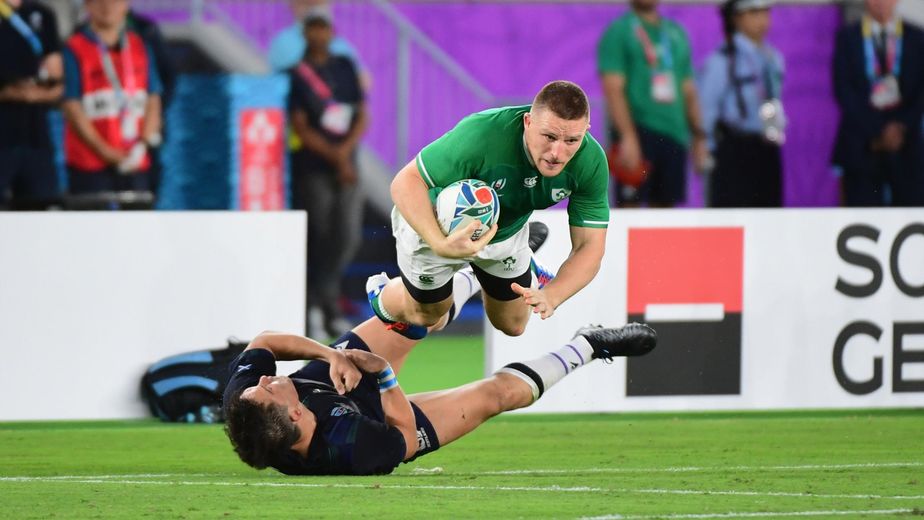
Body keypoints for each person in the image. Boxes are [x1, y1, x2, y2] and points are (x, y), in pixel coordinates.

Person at [222, 315, 657, 475]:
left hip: (326, 378)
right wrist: (386, 378)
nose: (262, 381)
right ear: (295, 416)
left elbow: (264, 341)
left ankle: (484, 274)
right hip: (385, 421)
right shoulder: (353, 450)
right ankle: (589, 345)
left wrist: (329, 354)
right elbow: (405, 437)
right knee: (497, 395)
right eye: (268, 389)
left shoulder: (245, 407)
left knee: (409, 316)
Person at [367, 80, 609, 341]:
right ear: (528, 122)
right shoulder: (482, 134)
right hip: (435, 225)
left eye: (572, 140)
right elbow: (406, 182)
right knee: (425, 318)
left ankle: (516, 265)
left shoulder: (590, 161)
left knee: (513, 325)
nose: (557, 152)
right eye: (549, 136)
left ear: (586, 130)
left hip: (504, 233)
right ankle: (380, 292)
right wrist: (440, 243)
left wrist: (552, 295)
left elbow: (589, 247)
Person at [288, 10, 368, 338]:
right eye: (313, 29)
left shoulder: (344, 66)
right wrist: (335, 156)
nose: (319, 35)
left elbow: (362, 114)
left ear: (331, 32)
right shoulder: (297, 74)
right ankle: (315, 308)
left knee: (347, 235)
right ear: (305, 34)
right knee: (318, 237)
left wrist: (345, 152)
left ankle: (327, 300)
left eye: (324, 29)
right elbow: (300, 126)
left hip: (347, 162)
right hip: (313, 166)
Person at [598, 0, 710, 208]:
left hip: (674, 134)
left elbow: (688, 89)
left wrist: (698, 136)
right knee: (629, 208)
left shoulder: (676, 33)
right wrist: (627, 137)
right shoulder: (619, 31)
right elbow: (613, 88)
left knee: (665, 212)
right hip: (639, 133)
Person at [61, 0, 163, 197]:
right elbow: (71, 105)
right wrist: (104, 150)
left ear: (126, 5)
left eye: (115, 2)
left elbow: (153, 97)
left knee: (137, 224)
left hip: (135, 161)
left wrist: (142, 145)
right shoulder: (75, 47)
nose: (107, 8)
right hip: (90, 164)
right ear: (88, 6)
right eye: (99, 2)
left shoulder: (139, 44)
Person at [831, 0, 924, 206]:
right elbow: (844, 90)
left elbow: (920, 93)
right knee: (862, 208)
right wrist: (878, 130)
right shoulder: (848, 37)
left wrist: (901, 126)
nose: (880, 3)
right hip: (863, 144)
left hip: (905, 144)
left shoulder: (916, 38)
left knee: (910, 211)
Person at [698, 0, 785, 207]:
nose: (762, 20)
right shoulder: (723, 59)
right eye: (754, 13)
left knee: (770, 215)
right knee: (732, 215)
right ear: (736, 18)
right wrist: (705, 147)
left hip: (766, 146)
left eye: (765, 12)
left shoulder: (773, 58)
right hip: (733, 150)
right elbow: (706, 108)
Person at [0, 0, 63, 210]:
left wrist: (33, 94)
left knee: (41, 210)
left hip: (35, 138)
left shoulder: (42, 14)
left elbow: (57, 79)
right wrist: (8, 91)